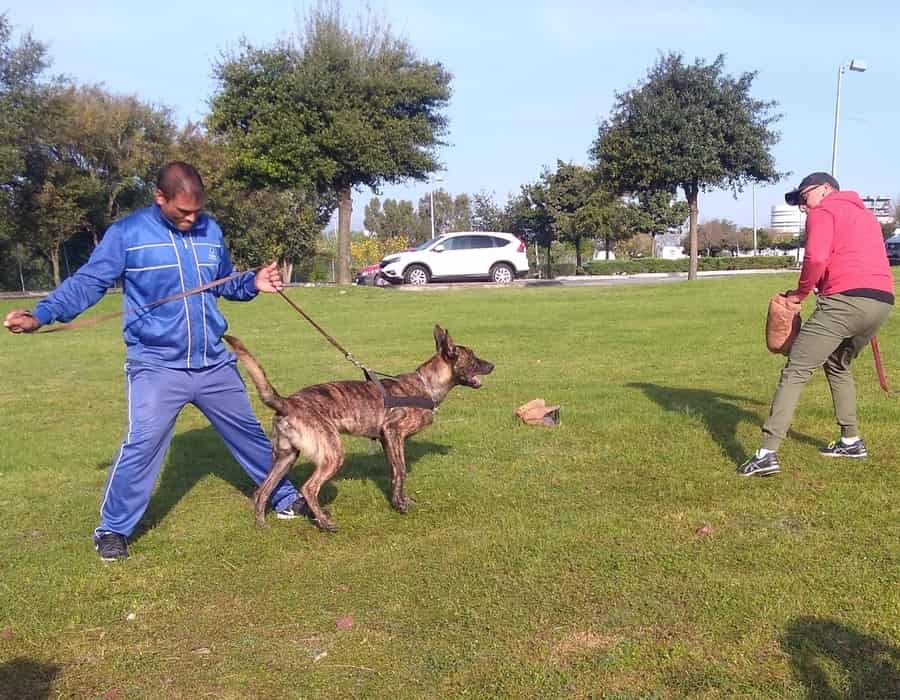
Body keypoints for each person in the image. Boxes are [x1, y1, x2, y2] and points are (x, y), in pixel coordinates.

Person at [3, 162, 308, 559]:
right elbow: (88, 282)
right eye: (183, 212)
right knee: (143, 444)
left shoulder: (210, 230)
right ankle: (113, 530)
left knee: (250, 434)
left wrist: (251, 283)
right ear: (159, 198)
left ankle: (284, 496)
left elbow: (223, 279)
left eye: (197, 211)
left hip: (213, 362)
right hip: (156, 364)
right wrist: (41, 314)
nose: (192, 218)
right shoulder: (127, 234)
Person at [738, 172, 894, 476]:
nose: (804, 207)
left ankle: (766, 454)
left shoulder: (824, 210)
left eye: (804, 198)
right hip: (881, 301)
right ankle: (851, 441)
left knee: (797, 369)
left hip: (845, 301)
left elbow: (816, 257)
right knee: (837, 364)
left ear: (825, 190)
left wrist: (799, 294)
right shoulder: (867, 217)